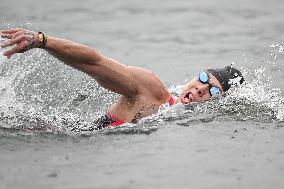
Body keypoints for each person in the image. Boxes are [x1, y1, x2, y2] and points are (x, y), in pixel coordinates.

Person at [0, 28, 244, 130]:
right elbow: (94, 63)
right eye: (203, 78)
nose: (201, 89)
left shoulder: (182, 124)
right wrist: (41, 40)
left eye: (213, 91)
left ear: (219, 104)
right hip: (54, 134)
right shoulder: (152, 90)